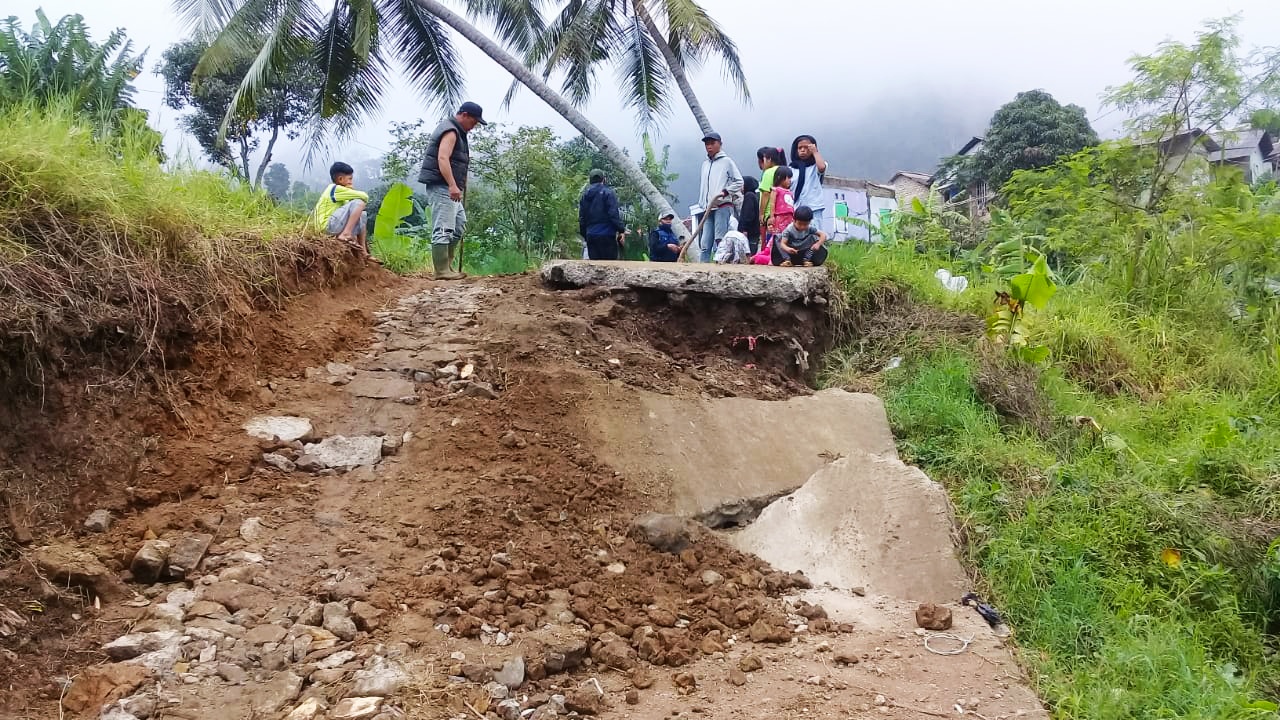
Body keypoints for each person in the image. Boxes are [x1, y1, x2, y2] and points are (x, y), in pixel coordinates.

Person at [417, 101, 486, 280]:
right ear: (464, 115)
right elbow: (442, 158)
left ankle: (447, 266)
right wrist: (452, 185)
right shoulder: (451, 130)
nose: (474, 126)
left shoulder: (457, 131)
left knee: (459, 224)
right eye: (474, 121)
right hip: (442, 186)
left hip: (448, 186)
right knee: (444, 227)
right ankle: (441, 271)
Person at [696, 132, 744, 263]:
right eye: (707, 144)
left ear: (720, 144)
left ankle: (719, 266)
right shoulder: (705, 164)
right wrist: (703, 203)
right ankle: (703, 268)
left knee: (720, 239)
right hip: (708, 207)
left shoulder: (726, 161)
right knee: (705, 242)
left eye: (712, 143)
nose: (709, 146)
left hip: (722, 205)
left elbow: (739, 181)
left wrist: (726, 192)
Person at [312, 161, 374, 262]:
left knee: (362, 214)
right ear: (340, 179)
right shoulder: (335, 188)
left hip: (333, 227)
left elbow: (351, 217)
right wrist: (352, 191)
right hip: (326, 226)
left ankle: (363, 251)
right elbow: (365, 196)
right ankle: (346, 234)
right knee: (360, 202)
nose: (351, 182)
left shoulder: (342, 194)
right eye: (350, 179)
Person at [789, 135, 829, 234]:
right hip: (795, 208)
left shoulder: (815, 166)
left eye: (806, 147)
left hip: (813, 207)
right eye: (800, 148)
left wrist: (815, 152)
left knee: (814, 235)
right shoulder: (791, 169)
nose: (803, 150)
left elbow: (822, 168)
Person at [756, 146, 786, 233]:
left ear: (769, 159)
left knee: (768, 242)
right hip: (782, 211)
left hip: (769, 213)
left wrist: (761, 214)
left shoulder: (768, 172)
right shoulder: (784, 170)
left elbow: (766, 194)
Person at [740, 176, 761, 254]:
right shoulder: (753, 196)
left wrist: (745, 229)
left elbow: (748, 215)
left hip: (750, 233)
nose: (740, 187)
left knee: (748, 253)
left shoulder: (749, 196)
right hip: (753, 232)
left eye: (742, 185)